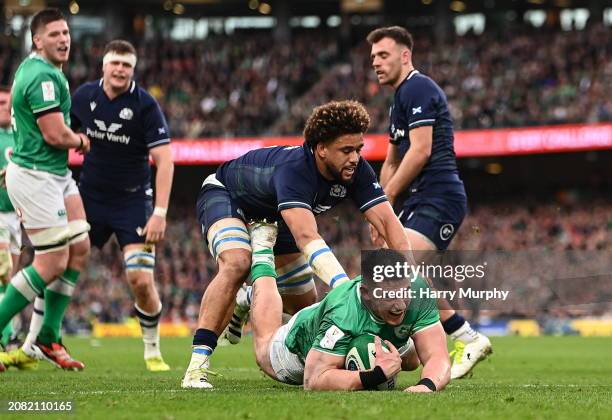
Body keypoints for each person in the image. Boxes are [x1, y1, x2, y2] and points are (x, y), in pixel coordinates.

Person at [182, 100, 411, 389]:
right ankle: (197, 365)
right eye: (346, 150)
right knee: (239, 262)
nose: (355, 158)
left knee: (309, 308)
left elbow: (390, 224)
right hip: (227, 196)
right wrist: (344, 289)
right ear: (321, 148)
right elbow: (307, 237)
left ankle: (249, 298)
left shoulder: (357, 170)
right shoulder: (294, 170)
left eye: (358, 149)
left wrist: (408, 274)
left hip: (279, 216)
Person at [367, 26, 492, 379]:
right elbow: (391, 161)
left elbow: (420, 152)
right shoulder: (399, 100)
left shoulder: (418, 87)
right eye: (373, 57)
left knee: (391, 271)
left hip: (439, 197)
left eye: (383, 55)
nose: (376, 62)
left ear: (405, 55)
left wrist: (387, 199)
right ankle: (466, 338)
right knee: (395, 271)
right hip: (418, 200)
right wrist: (376, 207)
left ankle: (388, 347)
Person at [70, 40, 174, 372]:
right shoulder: (84, 96)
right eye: (115, 63)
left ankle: (152, 350)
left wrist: (160, 212)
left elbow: (165, 161)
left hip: (132, 200)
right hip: (89, 196)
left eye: (126, 65)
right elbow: (57, 134)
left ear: (133, 69)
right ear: (103, 65)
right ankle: (41, 340)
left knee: (140, 279)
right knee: (59, 261)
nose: (120, 70)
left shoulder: (145, 105)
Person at [248, 223, 450, 391]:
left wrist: (427, 386)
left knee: (412, 360)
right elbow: (313, 380)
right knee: (264, 347)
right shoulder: (342, 313)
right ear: (366, 293)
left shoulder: (417, 291)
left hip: (358, 325)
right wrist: (375, 376)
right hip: (296, 352)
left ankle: (385, 342)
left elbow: (438, 356)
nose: (400, 303)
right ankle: (262, 253)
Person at [0, 8, 91, 372]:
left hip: (55, 174)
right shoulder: (42, 77)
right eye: (54, 34)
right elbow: (55, 134)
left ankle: (48, 335)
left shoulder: (43, 70)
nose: (64, 39)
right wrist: (81, 140)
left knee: (80, 247)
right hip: (37, 176)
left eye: (66, 32)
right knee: (51, 261)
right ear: (38, 40)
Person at [0, 86, 21, 350]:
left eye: (8, 102)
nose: (5, 106)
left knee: (13, 279)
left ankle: (10, 333)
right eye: (1, 102)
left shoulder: (19, 135)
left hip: (16, 217)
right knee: (3, 273)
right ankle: (6, 337)